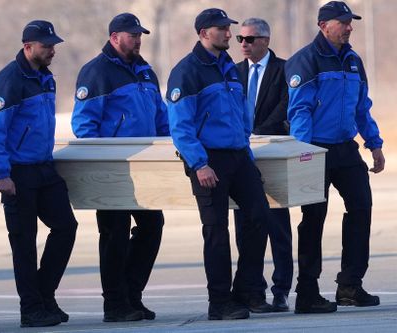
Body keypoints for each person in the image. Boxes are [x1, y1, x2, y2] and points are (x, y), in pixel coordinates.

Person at [166, 8, 270, 320]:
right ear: (203, 33)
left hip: (238, 157)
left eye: (228, 27)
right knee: (216, 231)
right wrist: (199, 164)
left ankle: (244, 290)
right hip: (208, 161)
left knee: (259, 217)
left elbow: (241, 114)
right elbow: (180, 126)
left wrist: (246, 150)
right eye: (222, 28)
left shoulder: (228, 67)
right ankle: (220, 302)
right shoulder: (187, 71)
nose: (229, 33)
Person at [285, 1, 385, 314]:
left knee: (361, 206)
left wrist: (374, 142)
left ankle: (350, 285)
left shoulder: (352, 60)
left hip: (345, 148)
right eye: (343, 22)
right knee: (313, 218)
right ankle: (308, 291)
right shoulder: (307, 60)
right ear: (324, 25)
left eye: (350, 21)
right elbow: (299, 109)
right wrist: (304, 152)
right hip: (315, 148)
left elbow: (361, 106)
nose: (349, 26)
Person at [71, 13, 168, 322]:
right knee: (115, 233)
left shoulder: (145, 71)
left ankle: (132, 295)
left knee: (152, 227)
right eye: (132, 35)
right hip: (113, 168)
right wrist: (104, 162)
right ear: (115, 37)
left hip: (145, 168)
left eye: (140, 34)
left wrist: (169, 147)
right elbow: (84, 125)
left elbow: (161, 118)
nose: (138, 39)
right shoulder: (97, 72)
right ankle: (115, 303)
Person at [0, 20, 78, 327]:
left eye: (53, 45)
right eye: (46, 46)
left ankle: (44, 296)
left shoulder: (45, 78)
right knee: (24, 243)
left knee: (66, 227)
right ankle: (31, 309)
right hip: (18, 173)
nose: (52, 51)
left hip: (44, 169)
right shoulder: (9, 81)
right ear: (28, 47)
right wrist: (1, 174)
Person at [234, 17, 293, 312]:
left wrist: (259, 132)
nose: (243, 44)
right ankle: (250, 287)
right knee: (244, 225)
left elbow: (287, 106)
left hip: (273, 151)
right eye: (240, 39)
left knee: (277, 224)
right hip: (241, 156)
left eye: (250, 39)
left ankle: (281, 288)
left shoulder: (284, 70)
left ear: (266, 41)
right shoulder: (233, 73)